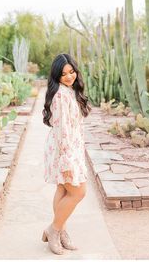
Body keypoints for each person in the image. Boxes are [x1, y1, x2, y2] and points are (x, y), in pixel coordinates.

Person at [42, 53, 91, 255]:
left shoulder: (70, 91)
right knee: (79, 191)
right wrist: (67, 160)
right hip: (64, 150)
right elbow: (63, 131)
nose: (69, 76)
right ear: (57, 76)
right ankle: (53, 230)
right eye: (63, 74)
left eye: (71, 72)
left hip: (72, 148)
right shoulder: (61, 95)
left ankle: (60, 230)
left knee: (63, 190)